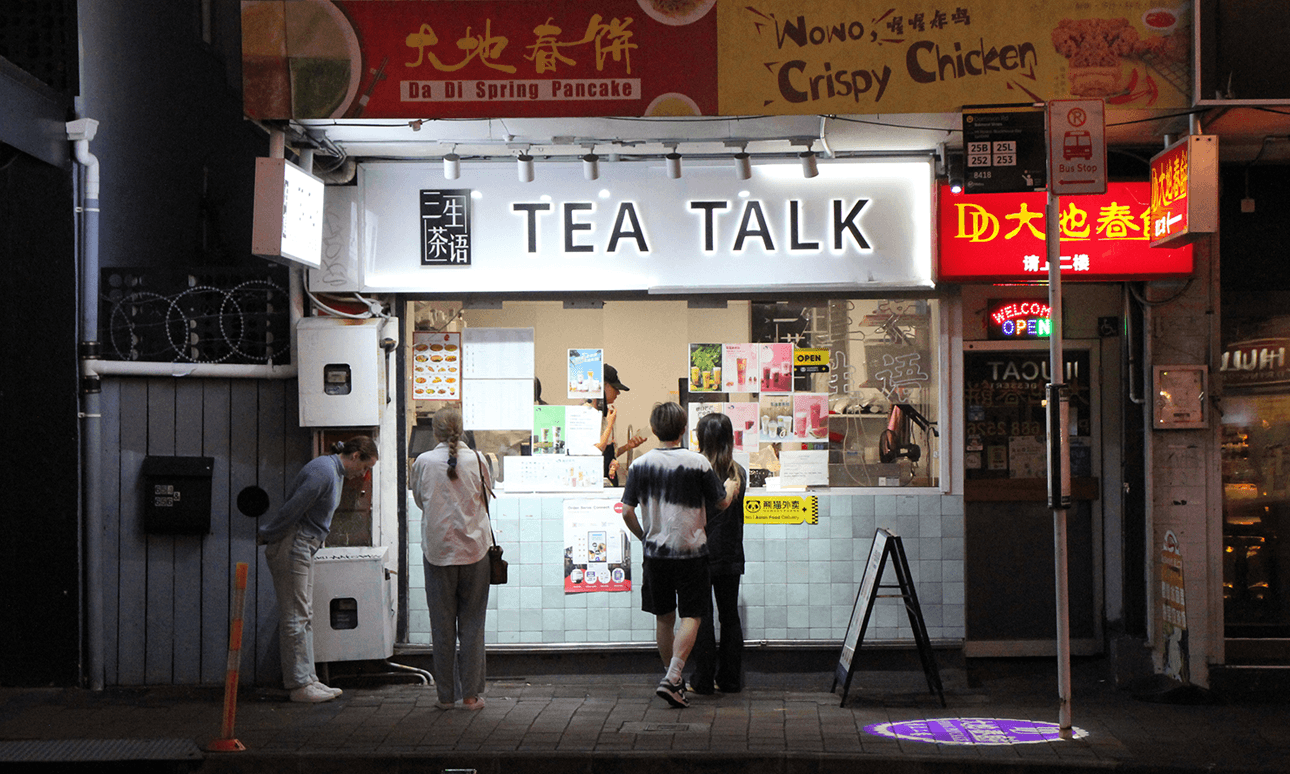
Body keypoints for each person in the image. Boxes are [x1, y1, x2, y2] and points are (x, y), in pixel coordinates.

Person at [620, 402, 739, 708]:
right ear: (685, 429)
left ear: (654, 428)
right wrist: (730, 488)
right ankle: (674, 677)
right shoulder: (697, 462)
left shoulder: (639, 465)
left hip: (655, 555)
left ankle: (672, 679)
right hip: (692, 553)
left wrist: (644, 537)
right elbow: (721, 503)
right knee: (693, 615)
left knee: (664, 618)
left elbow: (627, 512)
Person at [258, 436, 379, 703]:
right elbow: (293, 508)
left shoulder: (332, 472)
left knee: (304, 614)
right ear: (355, 456)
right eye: (365, 466)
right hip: (295, 543)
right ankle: (299, 684)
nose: (363, 474)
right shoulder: (324, 472)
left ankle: (308, 678)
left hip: (303, 543)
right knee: (296, 616)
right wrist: (268, 533)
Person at [411, 407, 493, 710]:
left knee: (441, 626)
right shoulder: (479, 460)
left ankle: (445, 697)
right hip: (475, 552)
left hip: (438, 552)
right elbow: (486, 497)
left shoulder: (422, 462)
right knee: (472, 625)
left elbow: (420, 500)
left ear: (435, 432)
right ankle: (471, 696)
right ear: (462, 429)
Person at [688, 412, 748, 695]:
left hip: (701, 552)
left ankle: (702, 680)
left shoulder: (695, 471)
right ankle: (730, 680)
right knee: (730, 616)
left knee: (702, 617)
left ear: (702, 438)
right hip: (731, 552)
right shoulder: (739, 473)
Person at [592, 364, 646, 485]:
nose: (618, 393)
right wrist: (609, 425)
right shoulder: (586, 413)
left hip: (609, 480)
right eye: (615, 388)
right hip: (594, 481)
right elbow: (596, 451)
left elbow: (610, 454)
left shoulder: (608, 414)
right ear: (604, 386)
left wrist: (628, 446)